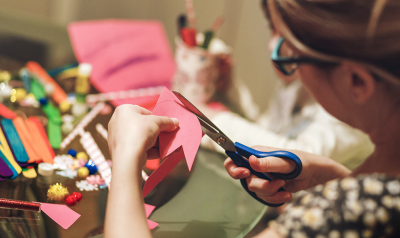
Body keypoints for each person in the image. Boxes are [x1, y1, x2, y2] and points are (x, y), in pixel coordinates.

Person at [105, 0, 400, 237]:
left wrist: (126, 157)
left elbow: (353, 210)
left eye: (292, 55)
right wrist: (334, 180)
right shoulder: (374, 195)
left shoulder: (341, 213)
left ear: (357, 82)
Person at [199, 17, 374, 171]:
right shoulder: (296, 84)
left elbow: (298, 157)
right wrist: (229, 88)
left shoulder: (352, 105)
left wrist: (217, 120)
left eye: (287, 33)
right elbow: (269, 132)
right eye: (273, 29)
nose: (271, 46)